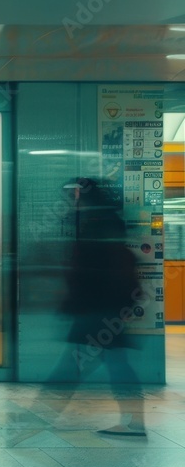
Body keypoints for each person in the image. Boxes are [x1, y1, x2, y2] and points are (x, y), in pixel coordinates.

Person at [51, 177, 146, 436]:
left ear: (84, 194)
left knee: (77, 364)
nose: (71, 198)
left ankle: (41, 414)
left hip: (98, 306)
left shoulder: (94, 222)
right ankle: (134, 420)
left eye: (74, 193)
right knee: (113, 362)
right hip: (108, 306)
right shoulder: (105, 220)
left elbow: (90, 267)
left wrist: (74, 300)